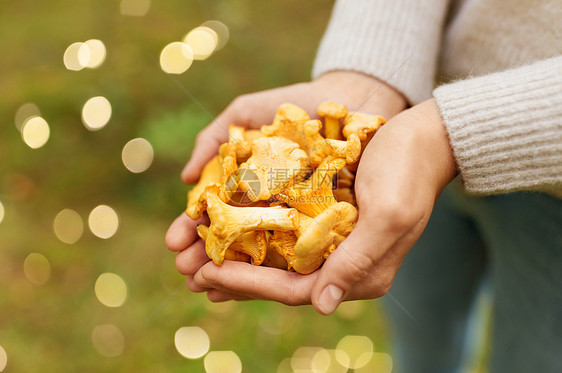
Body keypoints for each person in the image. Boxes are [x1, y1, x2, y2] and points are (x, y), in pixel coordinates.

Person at [166, 0, 562, 371]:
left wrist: (447, 135)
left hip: (549, 192)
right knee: (420, 320)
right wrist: (367, 72)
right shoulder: (354, 169)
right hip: (403, 142)